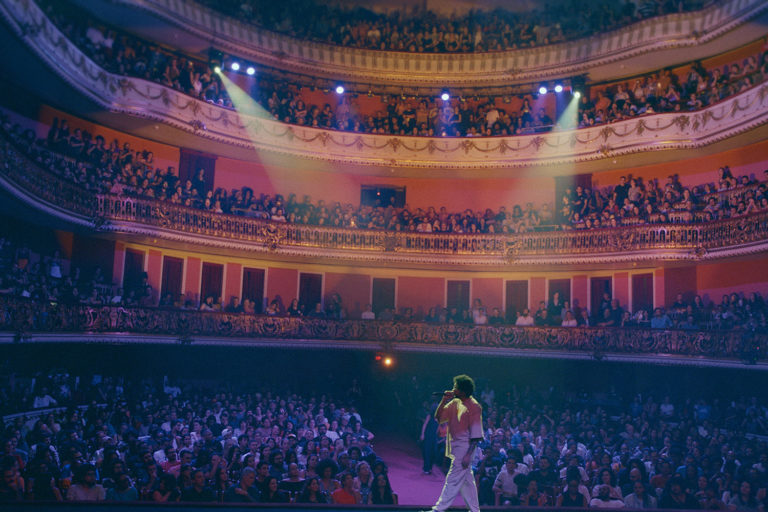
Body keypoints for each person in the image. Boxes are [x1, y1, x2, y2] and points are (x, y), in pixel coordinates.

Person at [427, 374, 484, 512]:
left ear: (463, 391)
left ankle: (439, 509)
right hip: (456, 444)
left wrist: (468, 455)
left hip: (466, 446)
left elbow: (476, 435)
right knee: (467, 481)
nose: (453, 389)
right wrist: (443, 400)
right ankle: (475, 510)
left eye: (456, 388)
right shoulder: (453, 403)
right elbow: (439, 417)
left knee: (453, 478)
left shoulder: (474, 407)